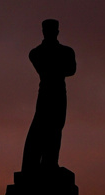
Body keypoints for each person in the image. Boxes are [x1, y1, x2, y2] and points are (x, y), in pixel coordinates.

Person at [21, 19, 76, 171]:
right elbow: (65, 69)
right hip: (47, 92)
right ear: (43, 32)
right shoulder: (36, 53)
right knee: (41, 127)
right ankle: (36, 165)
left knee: (56, 127)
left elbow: (71, 69)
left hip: (59, 92)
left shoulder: (66, 51)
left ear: (57, 32)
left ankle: (49, 163)